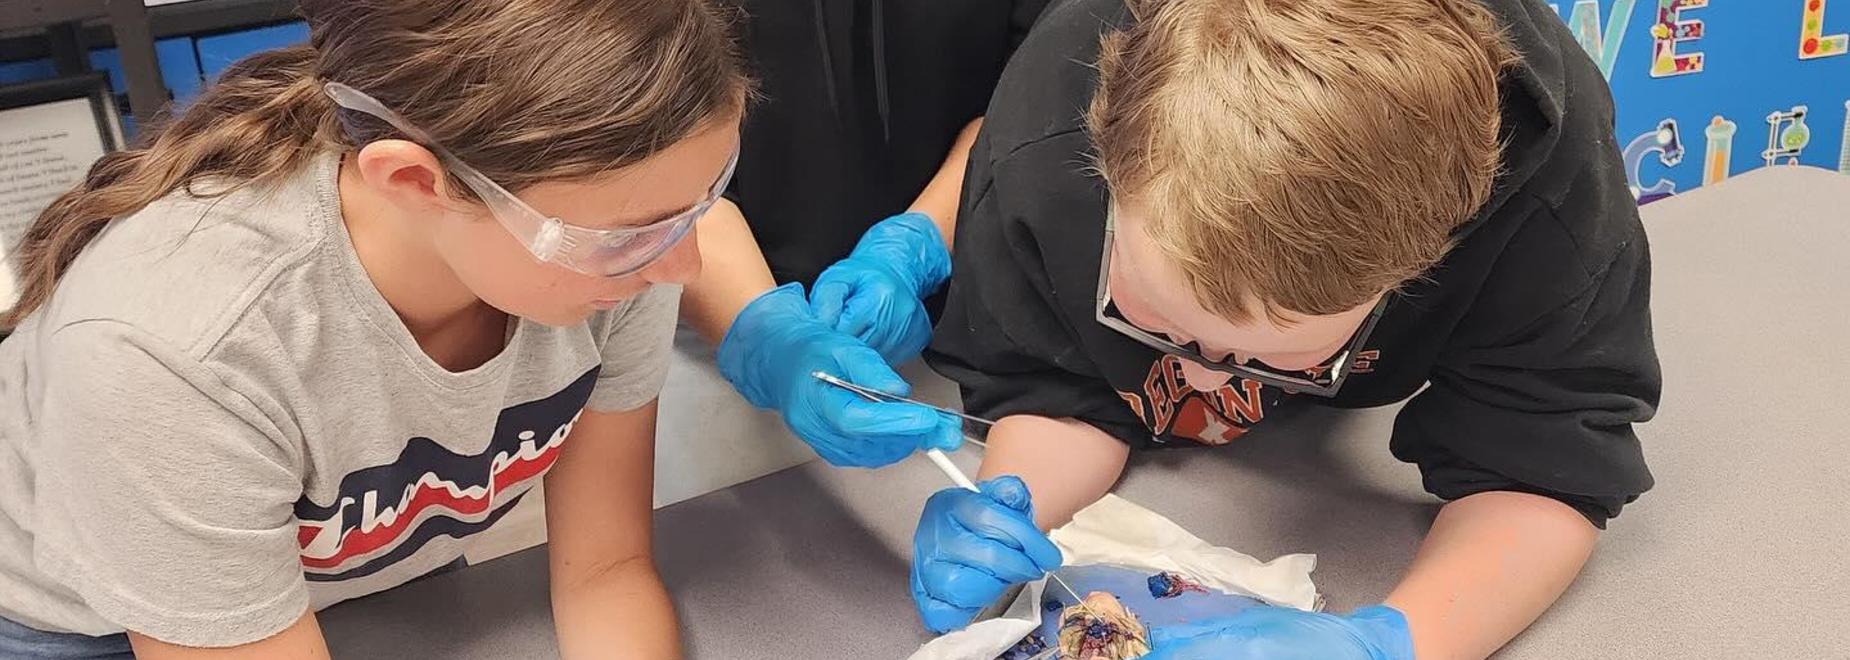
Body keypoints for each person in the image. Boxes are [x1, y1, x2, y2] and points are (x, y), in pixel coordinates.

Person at [909, 0, 1661, 657]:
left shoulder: (1548, 204)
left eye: (1282, 359)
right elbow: (1063, 376)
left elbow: (1546, 453)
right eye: (1153, 325)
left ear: (1425, 268)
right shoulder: (1044, 132)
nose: (1198, 386)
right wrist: (1016, 500)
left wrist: (1398, 641)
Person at [0, 1, 745, 657]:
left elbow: (606, 571)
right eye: (631, 234)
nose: (682, 265)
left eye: (700, 200)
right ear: (417, 183)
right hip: (76, 622)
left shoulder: (612, 257)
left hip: (365, 564)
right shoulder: (177, 355)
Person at [686, 0, 1049, 468]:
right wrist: (771, 337)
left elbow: (1036, 89)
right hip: (710, 317)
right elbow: (653, 170)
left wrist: (920, 242)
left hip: (974, 312)